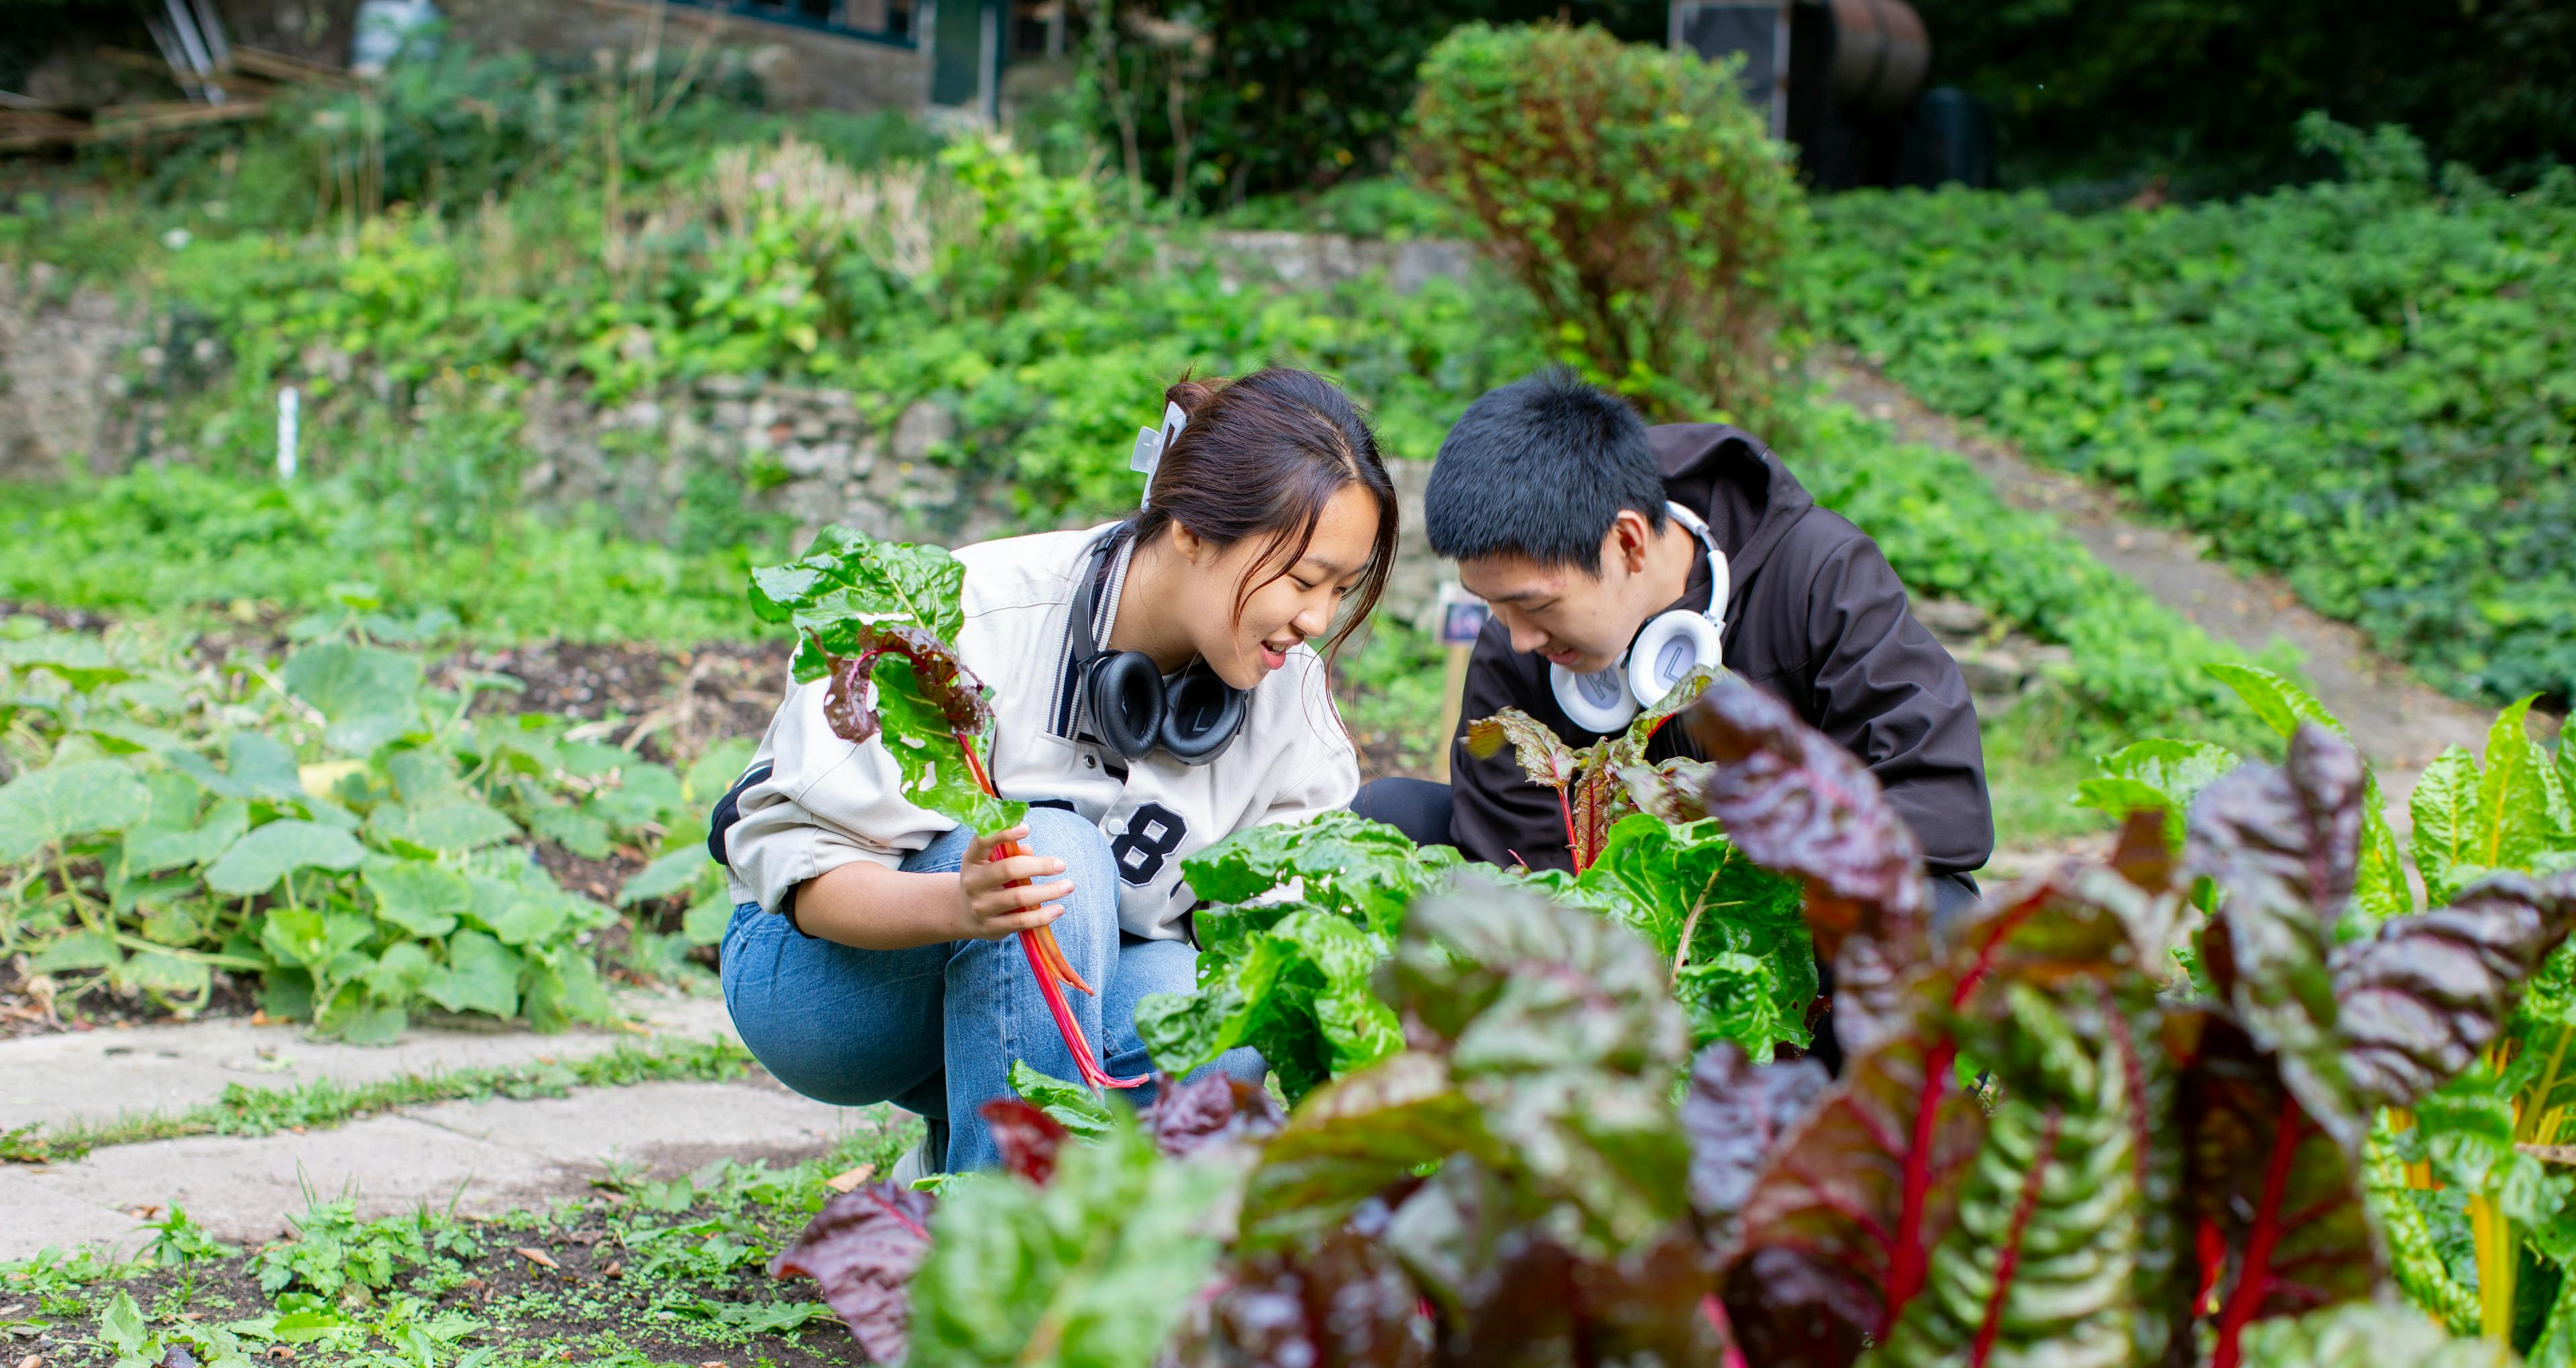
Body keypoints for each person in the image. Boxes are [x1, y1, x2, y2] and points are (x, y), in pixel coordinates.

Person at [712, 368, 1395, 1174]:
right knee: (1054, 854)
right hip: (830, 983)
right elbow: (803, 868)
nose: (1316, 620)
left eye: (1341, 591)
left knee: (1216, 1030)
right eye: (1301, 579)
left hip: (1069, 1001)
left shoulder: (1292, 702)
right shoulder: (970, 613)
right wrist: (957, 903)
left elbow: (1283, 945)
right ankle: (1000, 1250)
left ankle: (967, 1173)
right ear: (1191, 531)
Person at [1354, 369, 1992, 925]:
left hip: (1784, 935)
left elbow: (1941, 805)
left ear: (1629, 543)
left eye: (1537, 605)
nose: (1518, 638)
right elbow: (1515, 861)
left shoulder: (1820, 576)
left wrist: (1738, 889)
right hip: (1611, 970)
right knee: (1392, 818)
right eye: (1491, 605)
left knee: (1930, 913)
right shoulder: (1512, 648)